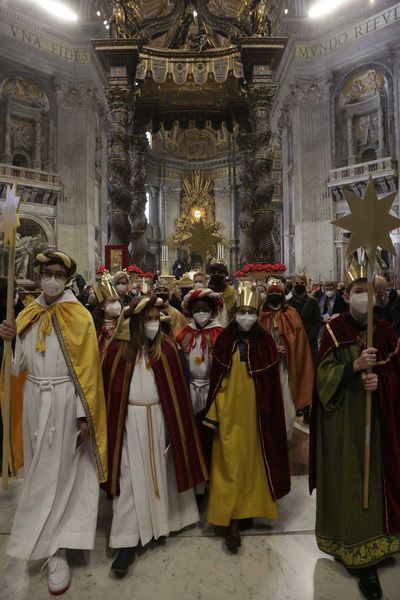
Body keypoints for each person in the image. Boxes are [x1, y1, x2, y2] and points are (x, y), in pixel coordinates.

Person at [0, 250, 107, 596]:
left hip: (65, 402)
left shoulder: (80, 316)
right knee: (38, 472)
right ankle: (42, 535)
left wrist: (83, 415)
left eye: (58, 273)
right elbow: (18, 368)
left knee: (63, 474)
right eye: (46, 272)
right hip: (34, 399)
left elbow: (88, 371)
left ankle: (58, 547)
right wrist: (10, 338)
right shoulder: (28, 313)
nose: (51, 278)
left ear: (68, 277)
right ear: (38, 274)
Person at [102, 295, 207, 576]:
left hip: (160, 418)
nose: (152, 324)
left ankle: (161, 525)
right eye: (147, 320)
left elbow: (178, 392)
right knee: (128, 477)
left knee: (161, 473)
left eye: (154, 319)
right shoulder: (117, 352)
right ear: (135, 323)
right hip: (129, 421)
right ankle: (126, 540)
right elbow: (109, 392)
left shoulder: (168, 348)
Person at [309, 277, 400, 600]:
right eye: (359, 292)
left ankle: (379, 543)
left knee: (377, 479)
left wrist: (382, 380)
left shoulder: (386, 332)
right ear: (347, 297)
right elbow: (322, 377)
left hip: (378, 421)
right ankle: (351, 547)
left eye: (371, 293)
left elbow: (396, 371)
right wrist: (354, 366)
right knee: (350, 479)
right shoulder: (335, 331)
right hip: (345, 421)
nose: (365, 298)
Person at [203, 284, 290, 553]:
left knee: (254, 464)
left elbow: (271, 387)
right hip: (228, 414)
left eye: (251, 312)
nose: (246, 317)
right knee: (229, 464)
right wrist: (216, 411)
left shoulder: (265, 343)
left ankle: (250, 510)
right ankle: (229, 518)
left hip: (257, 417)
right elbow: (216, 381)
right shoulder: (224, 340)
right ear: (233, 313)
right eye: (242, 311)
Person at [258, 278, 314, 439]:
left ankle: (285, 433)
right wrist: (272, 348)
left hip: (286, 366)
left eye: (277, 292)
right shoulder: (261, 316)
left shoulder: (291, 313)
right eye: (272, 292)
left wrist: (287, 349)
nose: (274, 295)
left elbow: (298, 341)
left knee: (286, 400)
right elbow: (258, 341)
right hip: (268, 366)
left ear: (283, 295)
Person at [177, 288, 224, 416]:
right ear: (191, 312)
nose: (200, 313)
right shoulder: (184, 333)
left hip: (213, 387)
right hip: (190, 387)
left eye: (204, 309)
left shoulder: (220, 333)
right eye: (196, 310)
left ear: (212, 310)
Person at [287, 273, 321, 363]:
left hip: (310, 340)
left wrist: (308, 337)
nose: (299, 285)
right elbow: (286, 322)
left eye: (302, 283)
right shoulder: (288, 303)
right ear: (293, 285)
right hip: (294, 341)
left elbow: (317, 322)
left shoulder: (313, 302)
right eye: (297, 284)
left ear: (305, 284)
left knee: (310, 364)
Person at [92, 279, 122, 360]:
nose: (117, 304)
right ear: (102, 306)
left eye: (118, 301)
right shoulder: (93, 326)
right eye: (113, 301)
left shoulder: (122, 324)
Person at [208, 262, 236, 326]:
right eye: (214, 273)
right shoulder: (206, 291)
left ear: (225, 275)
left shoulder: (232, 292)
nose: (216, 274)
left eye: (219, 273)